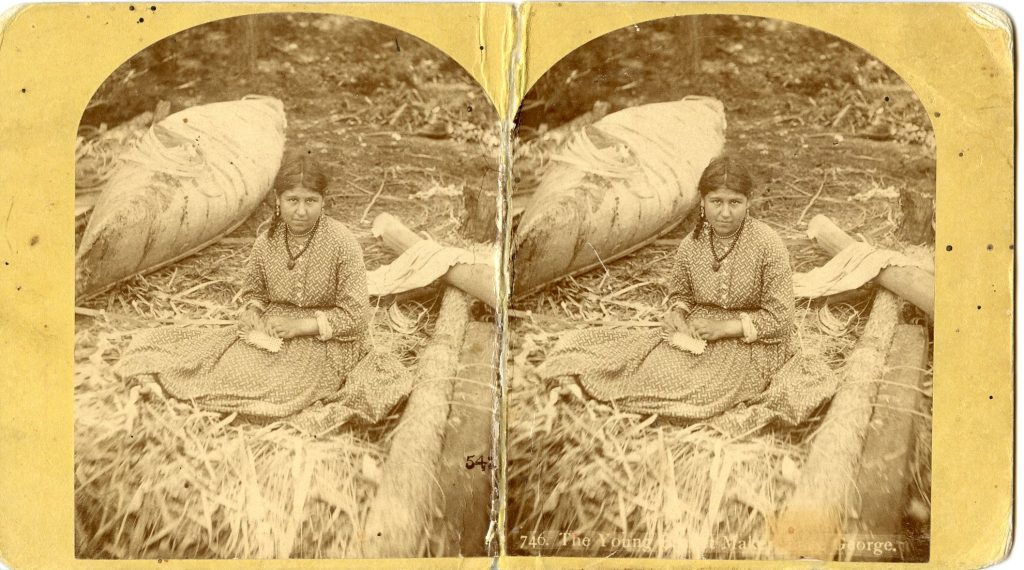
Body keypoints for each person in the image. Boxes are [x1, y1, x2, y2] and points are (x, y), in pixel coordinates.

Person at [536, 155, 836, 434]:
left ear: (749, 201)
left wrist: (725, 328)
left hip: (754, 341)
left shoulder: (768, 244)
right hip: (698, 332)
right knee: (645, 367)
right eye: (716, 201)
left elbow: (781, 318)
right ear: (702, 201)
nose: (725, 212)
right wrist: (677, 313)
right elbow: (681, 293)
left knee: (701, 388)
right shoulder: (692, 245)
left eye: (735, 202)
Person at [118, 152, 411, 431]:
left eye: (311, 200)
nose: (301, 211)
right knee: (219, 366)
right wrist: (252, 311)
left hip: (327, 338)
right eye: (292, 200)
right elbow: (254, 291)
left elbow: (356, 316)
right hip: (273, 330)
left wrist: (299, 326)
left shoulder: (342, 243)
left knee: (279, 388)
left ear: (323, 201)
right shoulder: (266, 242)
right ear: (277, 200)